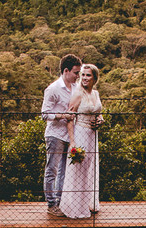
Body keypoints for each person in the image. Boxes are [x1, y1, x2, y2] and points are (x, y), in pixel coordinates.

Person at [60, 64, 104, 219]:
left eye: (88, 75)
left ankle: (89, 203)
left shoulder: (96, 94)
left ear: (95, 78)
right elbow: (69, 118)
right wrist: (72, 142)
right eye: (83, 75)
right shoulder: (77, 94)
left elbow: (98, 113)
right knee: (79, 168)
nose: (84, 78)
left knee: (90, 168)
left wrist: (100, 120)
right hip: (80, 133)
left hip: (93, 135)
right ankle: (76, 207)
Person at [40, 54, 81, 215]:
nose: (78, 76)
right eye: (76, 72)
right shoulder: (53, 89)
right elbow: (45, 114)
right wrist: (63, 115)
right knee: (52, 170)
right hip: (55, 134)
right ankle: (51, 204)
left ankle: (60, 202)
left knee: (65, 170)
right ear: (66, 70)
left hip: (70, 135)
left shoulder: (76, 88)